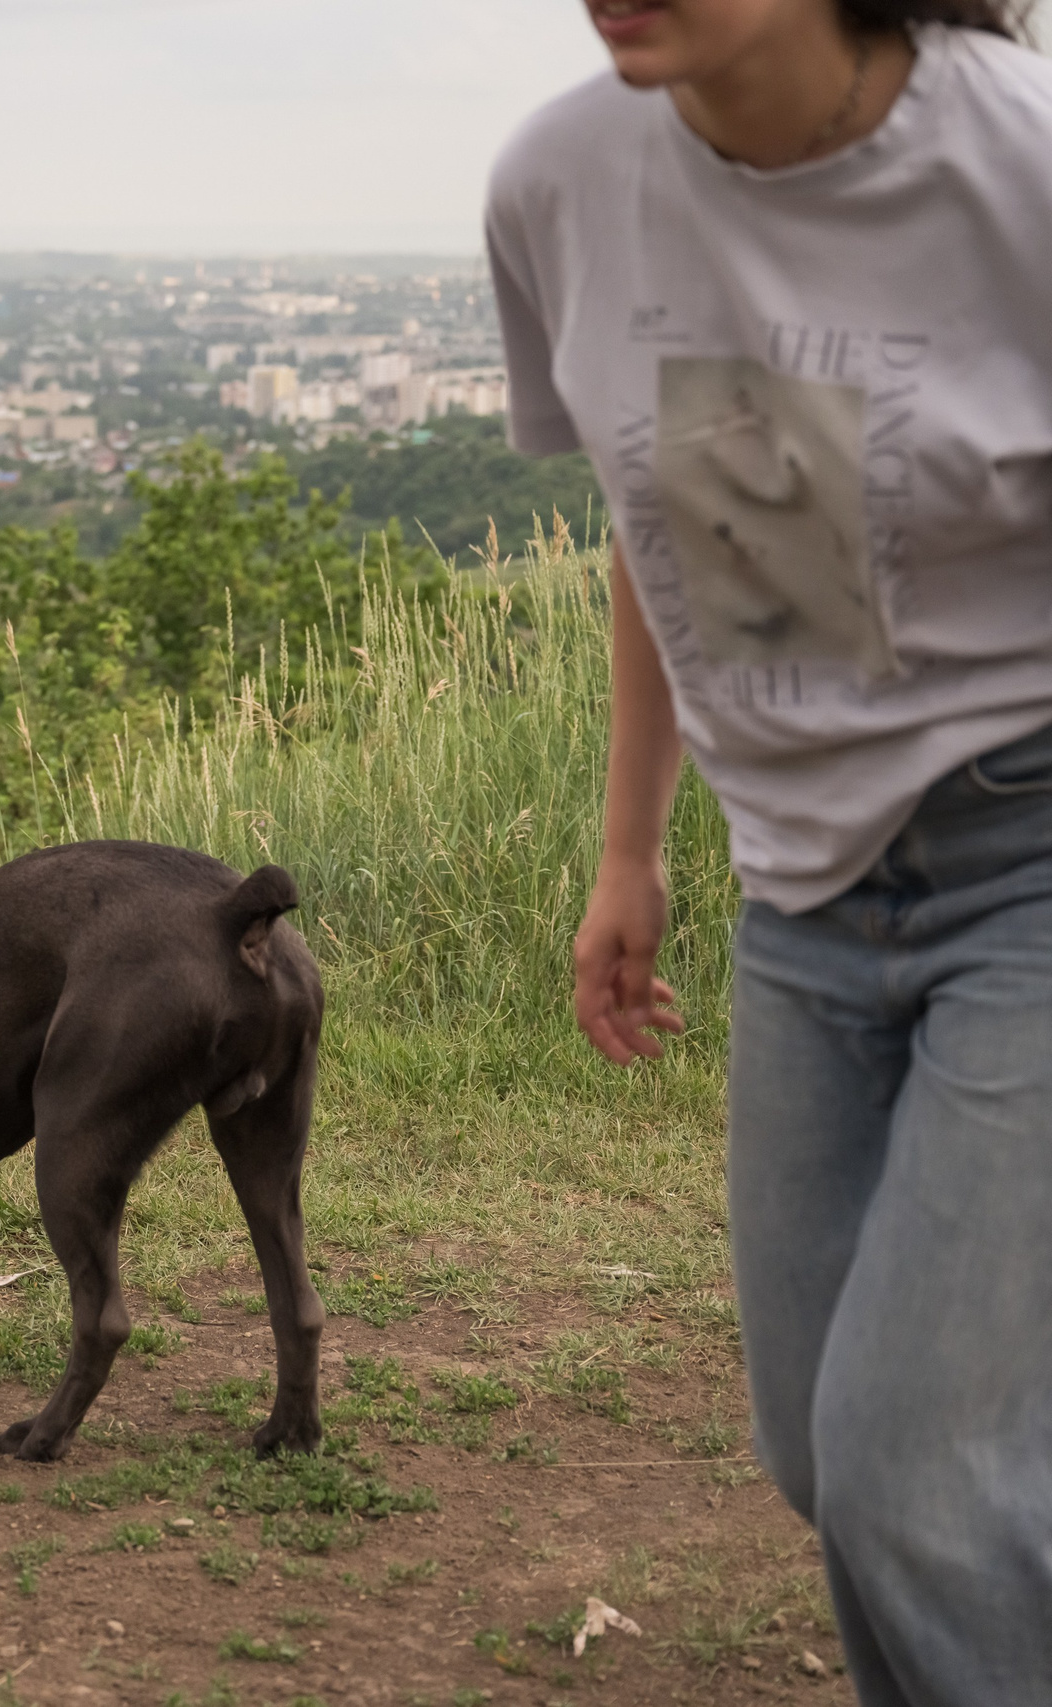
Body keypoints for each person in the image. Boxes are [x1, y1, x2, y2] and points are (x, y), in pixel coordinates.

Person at [489, 1, 1052, 1699]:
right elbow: (686, 504)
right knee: (837, 1460)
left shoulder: (1016, 168)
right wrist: (630, 845)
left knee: (912, 1473)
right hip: (803, 898)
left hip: (1031, 862)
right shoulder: (563, 185)